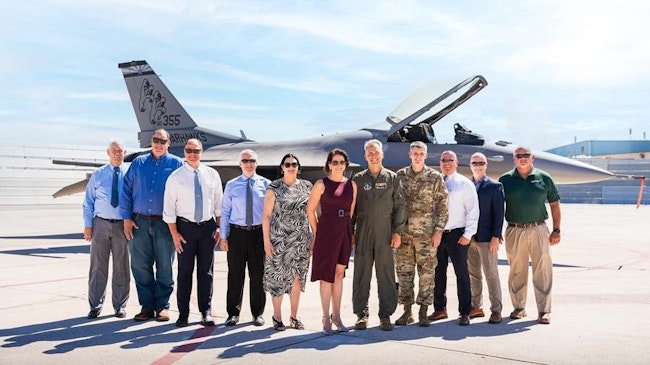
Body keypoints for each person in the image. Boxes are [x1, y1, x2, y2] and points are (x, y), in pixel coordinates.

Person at [120, 129, 183, 322]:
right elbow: (126, 189)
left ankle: (162, 307)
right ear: (151, 141)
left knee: (165, 266)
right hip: (139, 222)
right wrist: (126, 218)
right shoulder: (138, 163)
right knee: (140, 266)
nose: (159, 143)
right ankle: (146, 306)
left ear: (168, 143)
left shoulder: (176, 164)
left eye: (162, 140)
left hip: (165, 224)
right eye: (156, 140)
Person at [163, 139, 223, 327]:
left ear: (202, 152)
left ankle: (205, 312)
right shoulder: (175, 177)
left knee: (206, 273)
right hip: (185, 228)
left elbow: (218, 205)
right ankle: (183, 314)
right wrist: (175, 234)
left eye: (196, 150)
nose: (193, 154)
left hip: (207, 228)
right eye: (189, 150)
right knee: (184, 272)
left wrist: (219, 227)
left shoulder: (212, 174)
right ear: (184, 152)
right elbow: (169, 209)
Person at [499, 146, 561, 325]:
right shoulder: (505, 180)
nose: (523, 158)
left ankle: (544, 311)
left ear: (532, 157)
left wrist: (556, 230)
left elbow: (555, 205)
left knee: (542, 270)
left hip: (539, 229)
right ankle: (519, 308)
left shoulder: (544, 178)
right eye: (519, 156)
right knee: (517, 269)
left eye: (526, 155)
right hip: (514, 229)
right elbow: (497, 207)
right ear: (514, 159)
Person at [352, 139, 406, 331]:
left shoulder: (392, 178)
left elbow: (400, 207)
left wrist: (398, 232)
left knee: (386, 275)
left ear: (382, 155)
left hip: (385, 232)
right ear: (365, 156)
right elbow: (352, 208)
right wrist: (351, 232)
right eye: (370, 153)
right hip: (363, 231)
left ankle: (385, 315)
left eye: (376, 152)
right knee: (361, 273)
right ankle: (361, 314)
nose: (373, 156)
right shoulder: (357, 179)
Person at [394, 141, 448, 327]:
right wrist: (395, 231)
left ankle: (424, 311)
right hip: (404, 235)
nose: (417, 156)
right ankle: (407, 312)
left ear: (425, 155)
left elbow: (442, 205)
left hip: (426, 235)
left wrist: (439, 230)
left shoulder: (434, 177)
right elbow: (394, 205)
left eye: (421, 153)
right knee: (404, 273)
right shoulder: (400, 176)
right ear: (410, 154)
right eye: (414, 153)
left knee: (427, 274)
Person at [308, 148, 357, 334]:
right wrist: (317, 232)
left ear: (346, 165)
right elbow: (310, 210)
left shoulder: (351, 185)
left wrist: (349, 231)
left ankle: (337, 316)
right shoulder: (321, 184)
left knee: (338, 274)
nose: (338, 165)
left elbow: (351, 210)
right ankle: (325, 317)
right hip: (326, 231)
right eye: (335, 162)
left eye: (341, 162)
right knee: (326, 276)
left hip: (344, 231)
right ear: (329, 164)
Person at [262, 154, 313, 331]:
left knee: (297, 279)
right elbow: (266, 217)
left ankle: (294, 316)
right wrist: (266, 242)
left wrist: (313, 236)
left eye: (294, 164)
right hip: (279, 241)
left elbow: (311, 214)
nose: (291, 167)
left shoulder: (307, 186)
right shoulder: (274, 187)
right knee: (278, 280)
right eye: (287, 164)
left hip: (301, 240)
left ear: (298, 167)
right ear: (282, 167)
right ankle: (277, 317)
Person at [220, 149, 270, 327]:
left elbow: (271, 214)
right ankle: (233, 314)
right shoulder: (232, 185)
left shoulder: (266, 185)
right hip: (237, 234)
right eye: (245, 160)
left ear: (257, 163)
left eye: (252, 161)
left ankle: (257, 313)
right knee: (235, 275)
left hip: (257, 234)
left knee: (258, 275)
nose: (249, 164)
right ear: (239, 164)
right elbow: (225, 212)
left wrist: (268, 238)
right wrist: (223, 236)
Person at [429, 150, 479, 326]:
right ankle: (440, 309)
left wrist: (467, 235)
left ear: (457, 163)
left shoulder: (464, 184)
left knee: (461, 274)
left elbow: (473, 211)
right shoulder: (435, 182)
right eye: (443, 160)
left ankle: (465, 312)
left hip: (457, 235)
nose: (447, 163)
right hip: (438, 234)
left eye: (450, 160)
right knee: (438, 272)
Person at [82, 139, 130, 319]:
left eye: (120, 151)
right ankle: (95, 305)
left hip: (121, 225)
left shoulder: (130, 173)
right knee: (97, 267)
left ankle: (120, 305)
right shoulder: (98, 174)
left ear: (125, 152)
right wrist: (88, 225)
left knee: (121, 267)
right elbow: (88, 202)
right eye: (114, 150)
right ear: (108, 152)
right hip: (100, 223)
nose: (117, 153)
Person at [467, 152, 505, 324]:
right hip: (469, 237)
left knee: (491, 274)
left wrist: (496, 236)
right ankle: (476, 306)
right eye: (475, 163)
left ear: (486, 165)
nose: (478, 165)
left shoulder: (495, 186)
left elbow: (499, 213)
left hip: (486, 238)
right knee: (473, 274)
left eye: (481, 163)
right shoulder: (465, 185)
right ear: (470, 165)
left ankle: (496, 310)